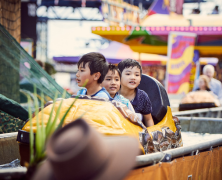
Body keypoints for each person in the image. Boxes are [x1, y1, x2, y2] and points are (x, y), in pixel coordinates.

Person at [118, 59, 154, 127]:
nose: (133, 77)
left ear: (140, 78)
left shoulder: (143, 96)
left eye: (137, 75)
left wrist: (152, 134)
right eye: (128, 74)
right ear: (119, 76)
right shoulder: (113, 94)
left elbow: (148, 119)